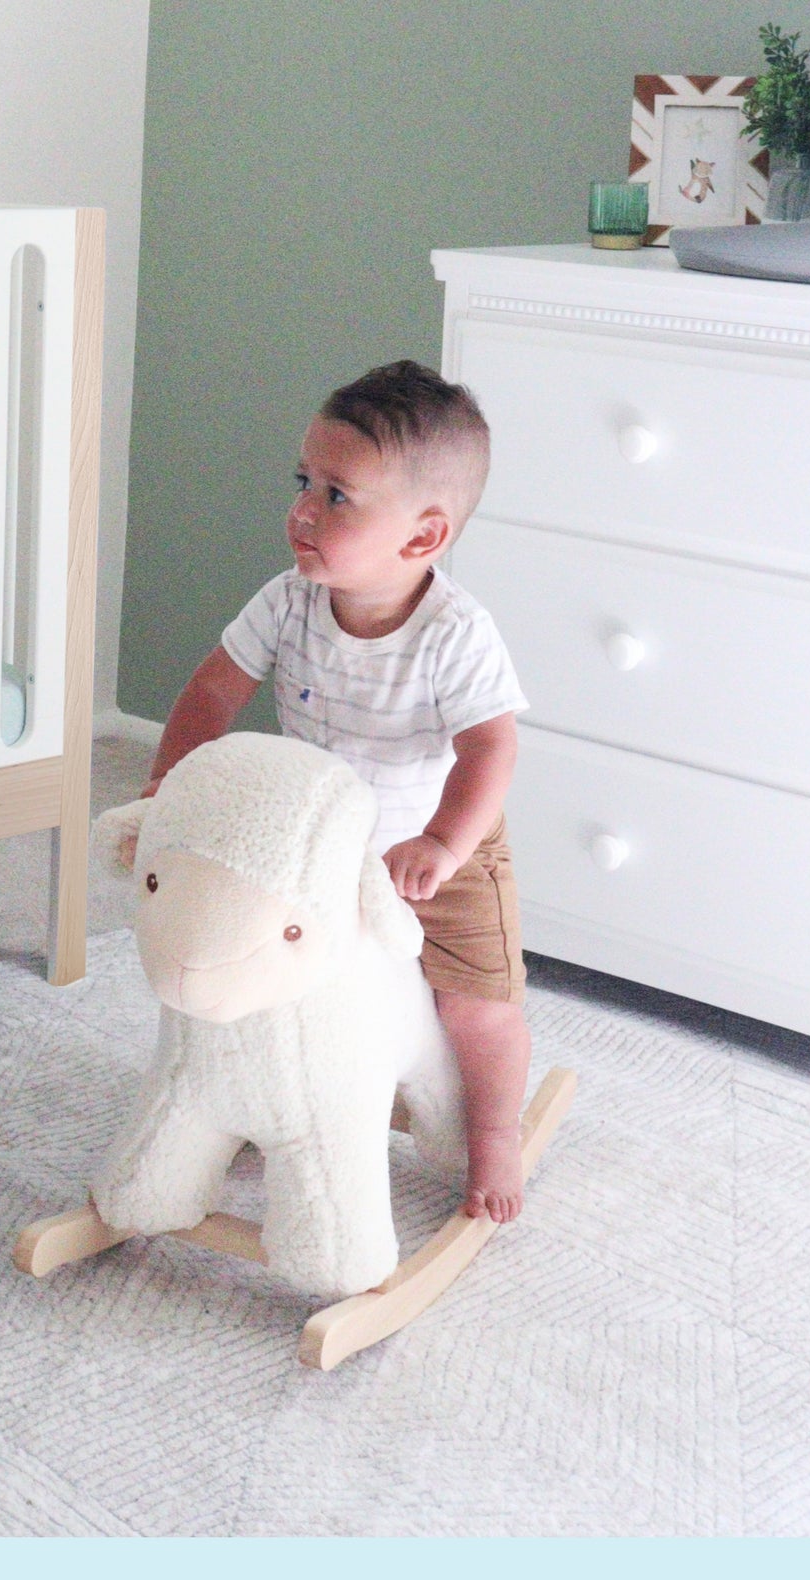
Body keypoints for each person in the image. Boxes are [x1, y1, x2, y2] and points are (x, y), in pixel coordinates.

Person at [142, 361, 530, 1221]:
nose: (304, 511)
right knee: (284, 969)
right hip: (317, 841)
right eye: (303, 482)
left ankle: (495, 1138)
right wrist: (171, 786)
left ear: (423, 538)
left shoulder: (453, 633)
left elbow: (489, 748)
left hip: (443, 844)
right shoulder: (288, 602)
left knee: (475, 1006)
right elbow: (211, 692)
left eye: (338, 496)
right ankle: (261, 1092)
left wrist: (444, 845)